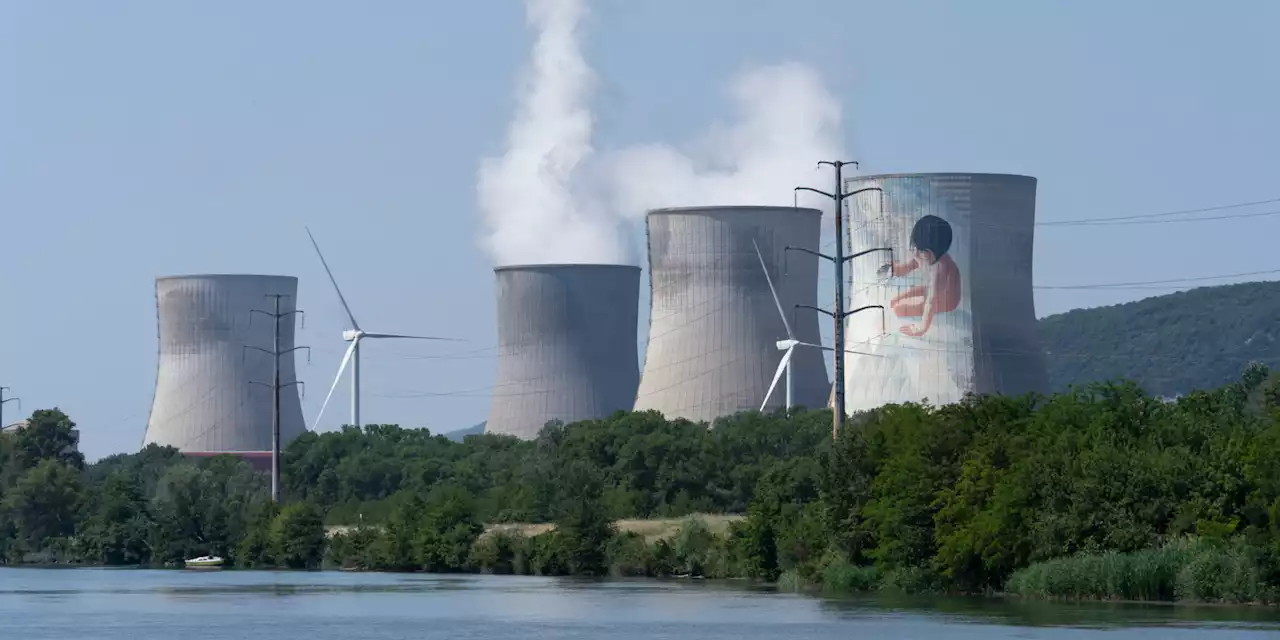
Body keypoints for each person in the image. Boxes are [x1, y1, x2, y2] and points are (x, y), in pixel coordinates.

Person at [876, 214, 961, 337]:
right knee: (897, 299)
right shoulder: (925, 257)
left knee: (900, 309)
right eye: (915, 247)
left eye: (920, 251)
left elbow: (931, 302)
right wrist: (892, 270)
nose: (915, 253)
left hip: (947, 300)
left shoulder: (940, 269)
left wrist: (921, 328)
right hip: (933, 290)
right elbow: (906, 268)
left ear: (930, 253)